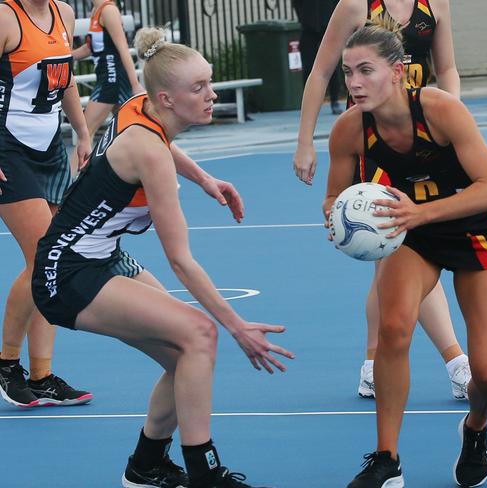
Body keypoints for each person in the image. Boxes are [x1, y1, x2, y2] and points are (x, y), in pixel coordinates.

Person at [31, 27, 294, 488]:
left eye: (210, 82)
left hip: (99, 256)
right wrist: (239, 328)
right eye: (199, 88)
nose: (212, 95)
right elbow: (181, 261)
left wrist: (205, 179)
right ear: (167, 98)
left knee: (187, 356)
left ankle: (146, 465)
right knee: (200, 334)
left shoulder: (140, 105)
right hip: (66, 272)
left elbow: (163, 142)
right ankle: (204, 474)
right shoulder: (148, 153)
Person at [323, 18, 487, 488]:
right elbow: (333, 198)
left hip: (471, 229)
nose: (354, 82)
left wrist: (420, 214)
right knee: (392, 329)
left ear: (398, 71)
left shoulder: (440, 110)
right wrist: (340, 220)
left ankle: (475, 428)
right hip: (409, 235)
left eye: (365, 70)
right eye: (348, 73)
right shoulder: (349, 130)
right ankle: (387, 459)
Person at [293, 0, 470, 401]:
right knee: (401, 244)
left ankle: (372, 364)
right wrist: (305, 141)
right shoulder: (355, 6)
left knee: (390, 255)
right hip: (377, 140)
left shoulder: (435, 4)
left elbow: (448, 70)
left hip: (423, 138)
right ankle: (456, 361)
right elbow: (321, 71)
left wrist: (450, 119)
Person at [0, 0, 93, 408]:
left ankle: (41, 375)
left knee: (53, 259)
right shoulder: (6, 16)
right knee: (42, 254)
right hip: (8, 148)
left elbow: (66, 79)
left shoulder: (64, 14)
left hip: (49, 147)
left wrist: (83, 132)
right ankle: (5, 363)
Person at [71, 0, 144, 173]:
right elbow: (90, 48)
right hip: (108, 78)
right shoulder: (96, 10)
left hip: (113, 80)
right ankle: (147, 169)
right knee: (134, 129)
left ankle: (66, 185)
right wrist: (64, 56)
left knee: (85, 131)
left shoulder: (109, 10)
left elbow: (123, 49)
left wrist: (135, 85)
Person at [292, 0, 343, 114]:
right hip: (308, 27)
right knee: (308, 67)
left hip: (328, 25)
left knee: (332, 65)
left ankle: (334, 100)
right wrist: (303, 18)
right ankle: (309, 103)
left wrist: (334, 18)